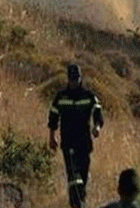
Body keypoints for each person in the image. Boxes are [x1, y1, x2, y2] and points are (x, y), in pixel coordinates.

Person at [49, 63, 104, 208]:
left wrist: (97, 126)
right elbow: (53, 116)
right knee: (74, 177)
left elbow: (97, 111)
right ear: (68, 79)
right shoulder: (61, 97)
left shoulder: (88, 95)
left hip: (84, 143)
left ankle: (81, 201)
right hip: (68, 143)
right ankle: (76, 204)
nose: (74, 82)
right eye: (72, 79)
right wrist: (52, 137)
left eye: (76, 79)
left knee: (83, 176)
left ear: (80, 78)